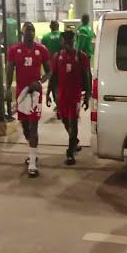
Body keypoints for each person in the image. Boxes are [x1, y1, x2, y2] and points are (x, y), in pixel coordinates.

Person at [7, 22, 51, 178]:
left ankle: (32, 162)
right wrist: (7, 89)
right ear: (22, 33)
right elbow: (9, 70)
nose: (30, 33)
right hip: (21, 93)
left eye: (32, 31)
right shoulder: (14, 50)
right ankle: (32, 150)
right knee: (25, 126)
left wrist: (39, 82)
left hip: (35, 94)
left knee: (33, 126)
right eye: (27, 31)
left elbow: (49, 72)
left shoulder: (42, 50)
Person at [47, 30, 90, 165]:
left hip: (75, 96)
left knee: (73, 122)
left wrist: (87, 95)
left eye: (71, 41)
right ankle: (74, 141)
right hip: (61, 96)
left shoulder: (81, 56)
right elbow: (53, 76)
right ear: (62, 42)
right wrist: (48, 93)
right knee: (65, 121)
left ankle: (70, 152)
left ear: (74, 41)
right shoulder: (58, 56)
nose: (69, 44)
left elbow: (87, 76)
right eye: (66, 42)